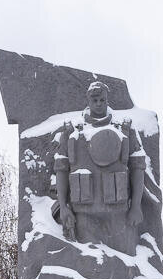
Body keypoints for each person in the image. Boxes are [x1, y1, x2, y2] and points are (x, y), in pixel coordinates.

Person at [52, 81, 146, 254]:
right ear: (88, 101)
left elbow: (138, 169)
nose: (98, 104)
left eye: (102, 100)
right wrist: (64, 207)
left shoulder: (125, 130)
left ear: (107, 100)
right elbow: (61, 170)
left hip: (118, 215)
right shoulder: (72, 132)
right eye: (94, 100)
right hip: (84, 216)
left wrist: (136, 206)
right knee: (89, 264)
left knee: (124, 263)